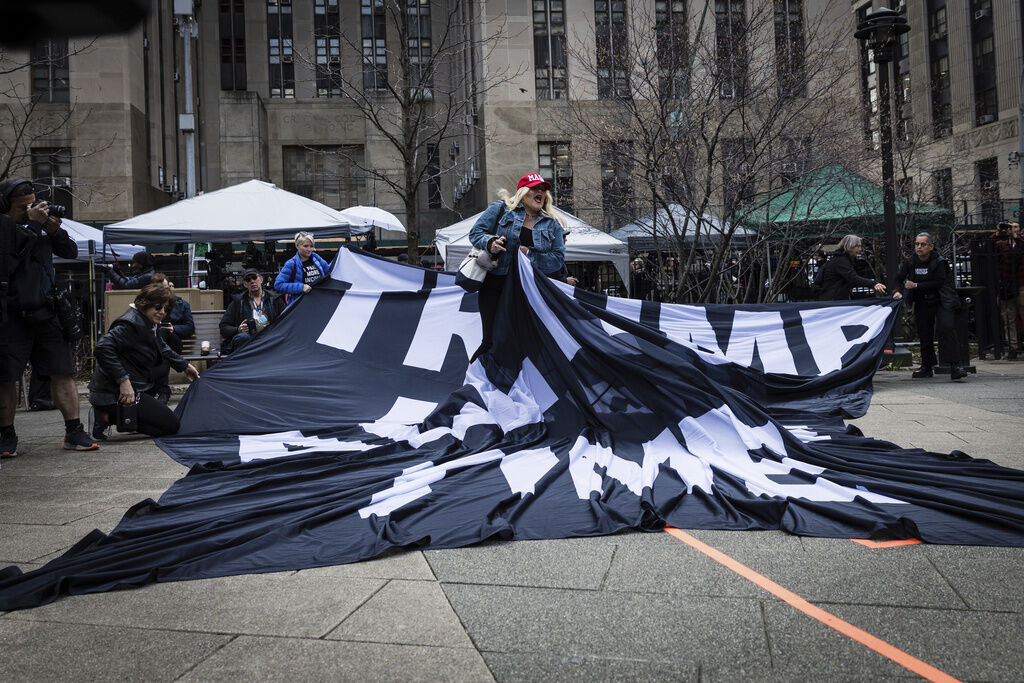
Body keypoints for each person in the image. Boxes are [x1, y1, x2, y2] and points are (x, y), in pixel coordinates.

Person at [0, 179, 97, 457]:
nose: (32, 209)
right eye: (23, 206)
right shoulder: (5, 228)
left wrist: (55, 233)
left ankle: (74, 430)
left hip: (46, 310)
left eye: (33, 203)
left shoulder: (40, 228)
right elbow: (10, 258)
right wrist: (31, 224)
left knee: (62, 372)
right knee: (6, 377)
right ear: (6, 206)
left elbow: (70, 252)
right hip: (12, 314)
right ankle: (6, 434)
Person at [468, 172, 567, 361]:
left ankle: (519, 384)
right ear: (523, 192)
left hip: (530, 290)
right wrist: (490, 243)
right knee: (490, 340)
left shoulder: (552, 223)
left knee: (526, 342)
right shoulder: (500, 209)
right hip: (496, 285)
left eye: (543, 189)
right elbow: (475, 233)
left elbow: (557, 259)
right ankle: (476, 382)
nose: (541, 192)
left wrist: (528, 254)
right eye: (535, 188)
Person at [89, 284, 200, 439]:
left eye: (166, 309)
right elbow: (102, 348)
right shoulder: (130, 323)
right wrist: (123, 381)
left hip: (133, 387)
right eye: (158, 307)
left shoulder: (147, 321)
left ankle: (112, 416)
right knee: (170, 425)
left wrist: (184, 365)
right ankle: (108, 415)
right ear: (145, 303)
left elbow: (161, 345)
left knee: (165, 425)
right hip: (111, 393)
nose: (162, 312)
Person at [892, 232, 967, 381]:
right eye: (917, 244)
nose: (919, 247)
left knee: (947, 329)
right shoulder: (911, 262)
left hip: (941, 301)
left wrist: (916, 285)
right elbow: (898, 278)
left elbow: (938, 283)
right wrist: (897, 291)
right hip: (922, 302)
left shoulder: (939, 262)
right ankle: (927, 366)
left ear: (931, 246)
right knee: (924, 333)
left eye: (923, 244)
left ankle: (955, 366)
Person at [149, 273, 195, 404]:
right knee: (160, 349)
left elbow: (190, 328)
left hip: (174, 343)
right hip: (156, 345)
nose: (162, 292)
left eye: (164, 288)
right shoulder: (149, 305)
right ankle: (163, 391)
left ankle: (157, 391)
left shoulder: (181, 304)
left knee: (162, 336)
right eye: (158, 289)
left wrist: (174, 329)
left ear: (169, 287)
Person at [220, 268, 285, 353]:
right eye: (248, 279)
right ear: (245, 284)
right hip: (248, 340)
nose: (252, 281)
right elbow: (223, 326)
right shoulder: (238, 301)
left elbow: (286, 320)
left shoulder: (275, 299)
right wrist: (238, 329)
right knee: (242, 338)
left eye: (254, 278)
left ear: (261, 279)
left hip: (269, 337)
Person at [815, 235, 887, 300]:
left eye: (860, 246)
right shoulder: (841, 261)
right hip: (833, 300)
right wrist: (873, 284)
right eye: (857, 246)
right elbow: (853, 278)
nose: (860, 249)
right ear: (849, 246)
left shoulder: (841, 259)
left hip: (833, 298)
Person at [274, 231, 330, 303]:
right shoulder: (291, 264)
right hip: (300, 305)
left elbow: (329, 272)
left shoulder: (316, 258)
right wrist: (301, 287)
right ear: (297, 246)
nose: (309, 249)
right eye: (305, 246)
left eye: (311, 246)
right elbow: (278, 285)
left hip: (320, 301)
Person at [995, 221, 1023, 359]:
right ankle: (1013, 347)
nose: (1012, 229)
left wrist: (1015, 237)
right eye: (1009, 227)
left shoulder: (1020, 243)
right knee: (1008, 317)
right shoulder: (1001, 244)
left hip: (1021, 283)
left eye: (1015, 227)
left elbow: (1020, 248)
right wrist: (998, 232)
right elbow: (986, 248)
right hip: (1007, 285)